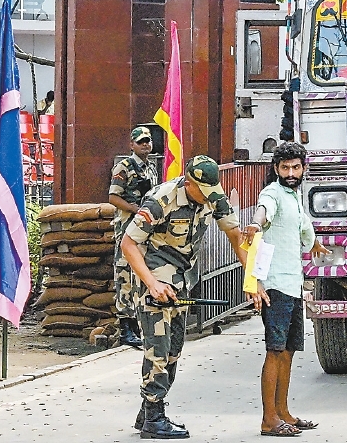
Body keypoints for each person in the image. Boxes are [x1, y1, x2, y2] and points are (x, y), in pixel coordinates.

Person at [121, 155, 247, 439]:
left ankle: (148, 409)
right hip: (153, 278)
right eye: (202, 191)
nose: (208, 198)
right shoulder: (161, 200)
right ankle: (154, 418)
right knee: (159, 348)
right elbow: (128, 243)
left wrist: (253, 278)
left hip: (182, 280)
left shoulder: (213, 196)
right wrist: (152, 283)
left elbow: (234, 234)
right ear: (188, 183)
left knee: (174, 349)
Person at [243, 142, 329, 438]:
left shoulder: (295, 197)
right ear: (276, 169)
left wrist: (315, 243)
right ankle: (269, 420)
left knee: (289, 352)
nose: (290, 173)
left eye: (295, 167)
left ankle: (283, 413)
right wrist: (255, 224)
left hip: (293, 285)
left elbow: (304, 227)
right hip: (275, 285)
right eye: (284, 168)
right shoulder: (274, 193)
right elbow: (264, 211)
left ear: (304, 169)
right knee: (274, 351)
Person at [108, 126, 160, 348]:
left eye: (148, 141)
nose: (145, 145)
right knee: (124, 274)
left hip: (145, 231)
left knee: (141, 273)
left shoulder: (150, 168)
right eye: (141, 142)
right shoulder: (124, 167)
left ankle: (139, 323)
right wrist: (133, 209)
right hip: (128, 229)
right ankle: (126, 328)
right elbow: (113, 197)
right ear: (132, 145)